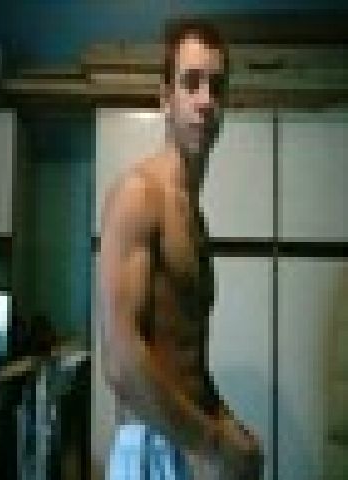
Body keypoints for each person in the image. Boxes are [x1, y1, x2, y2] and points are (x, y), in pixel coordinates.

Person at [100, 17, 262, 479]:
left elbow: (190, 362)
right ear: (165, 99)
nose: (205, 100)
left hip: (188, 444)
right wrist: (211, 442)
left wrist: (229, 428)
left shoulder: (195, 220)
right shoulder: (139, 195)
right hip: (149, 447)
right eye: (191, 83)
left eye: (216, 86)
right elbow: (120, 361)